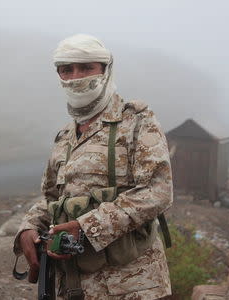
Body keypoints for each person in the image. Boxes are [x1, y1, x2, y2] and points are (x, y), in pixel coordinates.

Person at [13, 34, 173, 299]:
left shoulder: (136, 120)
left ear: (106, 70)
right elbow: (51, 198)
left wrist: (87, 228)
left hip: (132, 285)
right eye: (67, 69)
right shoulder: (65, 136)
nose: (76, 76)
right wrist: (27, 228)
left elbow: (157, 191)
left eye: (86, 67)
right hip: (73, 286)